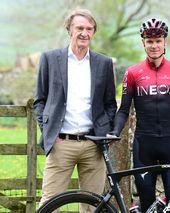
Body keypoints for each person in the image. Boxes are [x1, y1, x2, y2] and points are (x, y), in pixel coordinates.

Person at [33, 8, 117, 209]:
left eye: (89, 29)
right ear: (69, 30)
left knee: (92, 206)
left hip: (93, 144)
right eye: (80, 28)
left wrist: (105, 132)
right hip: (61, 143)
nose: (84, 33)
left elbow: (110, 104)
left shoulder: (103, 63)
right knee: (49, 204)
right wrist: (49, 132)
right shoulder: (50, 59)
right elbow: (39, 101)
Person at [109, 18, 170, 212]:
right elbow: (124, 110)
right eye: (149, 41)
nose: (154, 45)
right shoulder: (132, 73)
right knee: (146, 202)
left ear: (165, 42)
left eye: (158, 40)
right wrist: (114, 131)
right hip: (143, 145)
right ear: (143, 42)